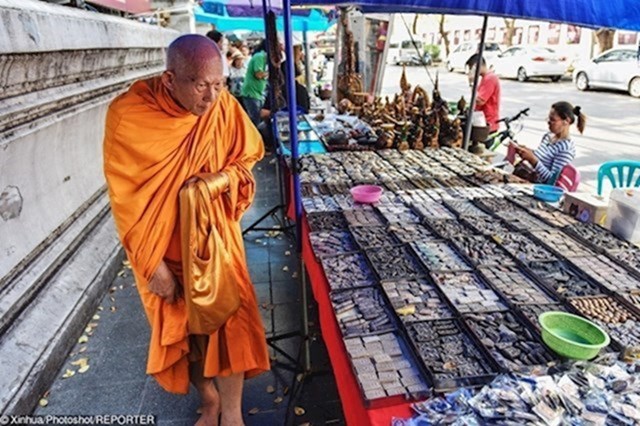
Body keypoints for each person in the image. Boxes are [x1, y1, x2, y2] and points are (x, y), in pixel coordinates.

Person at [103, 34, 269, 425]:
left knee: (232, 323)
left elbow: (247, 155)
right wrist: (152, 266)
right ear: (168, 79)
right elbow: (126, 198)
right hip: (164, 244)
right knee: (185, 332)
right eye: (200, 85)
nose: (212, 98)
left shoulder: (221, 107)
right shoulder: (129, 117)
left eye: (219, 84)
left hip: (217, 240)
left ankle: (232, 415)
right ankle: (208, 397)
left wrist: (217, 182)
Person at [512, 101, 586, 183]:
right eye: (548, 118)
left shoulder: (565, 148)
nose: (548, 122)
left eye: (553, 120)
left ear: (566, 121)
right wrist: (526, 151)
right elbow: (541, 158)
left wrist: (533, 160)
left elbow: (552, 181)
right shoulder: (548, 136)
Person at [468, 55, 501, 134]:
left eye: (471, 69)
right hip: (483, 120)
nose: (470, 71)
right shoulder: (485, 77)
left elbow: (480, 101)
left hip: (488, 123)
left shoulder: (490, 78)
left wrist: (471, 83)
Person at [241, 39, 268, 125]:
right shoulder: (260, 56)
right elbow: (258, 74)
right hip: (252, 93)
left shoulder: (263, 57)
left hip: (257, 93)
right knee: (256, 120)